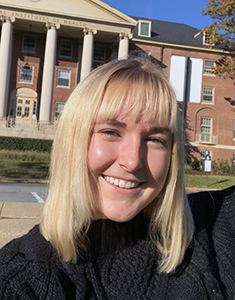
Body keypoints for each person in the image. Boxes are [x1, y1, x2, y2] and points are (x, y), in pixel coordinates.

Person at [0, 57, 235, 299]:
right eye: (110, 132)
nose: (133, 161)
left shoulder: (214, 228)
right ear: (72, 140)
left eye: (155, 139)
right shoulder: (19, 282)